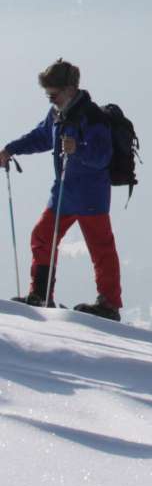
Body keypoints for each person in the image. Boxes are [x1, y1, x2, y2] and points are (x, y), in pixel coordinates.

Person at [0, 59, 123, 320]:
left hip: (90, 195)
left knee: (100, 248)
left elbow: (103, 156)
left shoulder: (93, 117)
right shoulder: (57, 114)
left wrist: (78, 149)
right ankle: (40, 295)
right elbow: (41, 137)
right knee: (42, 236)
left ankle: (109, 305)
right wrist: (10, 149)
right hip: (64, 191)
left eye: (53, 94)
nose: (50, 99)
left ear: (69, 89)